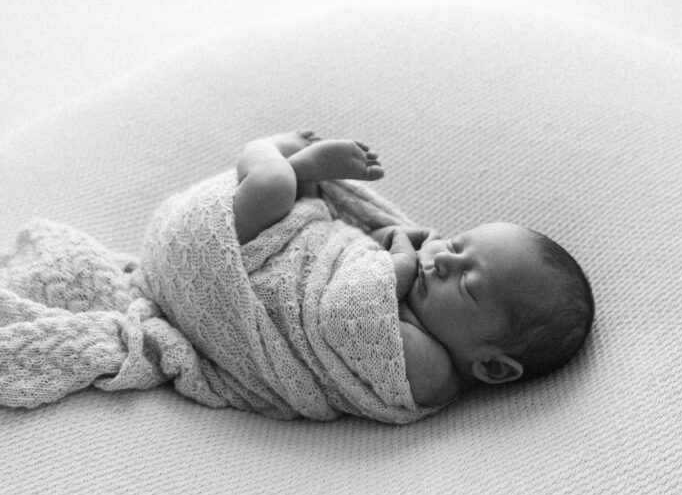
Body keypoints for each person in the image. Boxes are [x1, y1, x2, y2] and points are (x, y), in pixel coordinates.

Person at [234, 129, 595, 408]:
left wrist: (402, 262)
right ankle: (299, 175)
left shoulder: (431, 374)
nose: (441, 259)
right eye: (455, 245)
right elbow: (350, 249)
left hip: (245, 280)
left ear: (492, 366)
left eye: (466, 282)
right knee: (306, 205)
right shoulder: (423, 303)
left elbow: (343, 314)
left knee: (274, 187)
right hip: (292, 251)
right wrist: (386, 233)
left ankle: (269, 153)